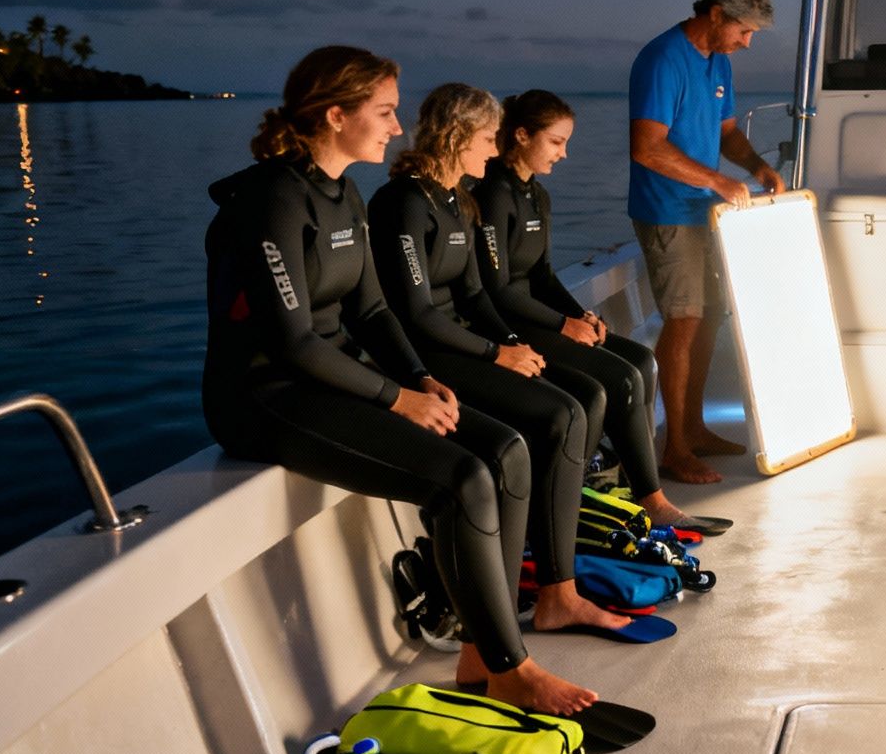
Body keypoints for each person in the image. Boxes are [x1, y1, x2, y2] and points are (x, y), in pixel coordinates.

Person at [203, 46, 596, 714]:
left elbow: (374, 310)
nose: (394, 128)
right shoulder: (270, 200)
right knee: (459, 478)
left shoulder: (343, 191)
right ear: (336, 115)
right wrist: (397, 398)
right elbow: (293, 341)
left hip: (335, 377)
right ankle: (511, 668)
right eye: (384, 111)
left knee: (504, 450)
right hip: (265, 397)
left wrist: (419, 376)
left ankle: (481, 655)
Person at [368, 83, 633, 644]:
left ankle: (557, 585)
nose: (492, 152)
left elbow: (474, 299)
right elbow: (415, 312)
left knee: (570, 407)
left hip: (465, 341)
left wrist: (514, 344)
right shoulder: (402, 203)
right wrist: (496, 353)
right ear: (458, 134)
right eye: (487, 138)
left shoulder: (457, 198)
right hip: (425, 356)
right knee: (557, 417)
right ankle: (541, 592)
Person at [475, 89, 712, 531]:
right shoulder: (493, 195)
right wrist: (561, 324)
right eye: (556, 142)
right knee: (618, 378)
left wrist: (580, 315)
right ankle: (652, 499)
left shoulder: (536, 196)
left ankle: (631, 484)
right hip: (509, 324)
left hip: (539, 314)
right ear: (522, 135)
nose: (564, 154)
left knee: (640, 359)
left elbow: (543, 276)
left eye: (567, 143)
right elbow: (496, 288)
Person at [627, 0, 786, 483]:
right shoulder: (662, 59)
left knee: (711, 315)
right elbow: (646, 147)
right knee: (684, 319)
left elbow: (727, 133)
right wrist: (718, 179)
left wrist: (756, 166)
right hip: (667, 211)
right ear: (716, 14)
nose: (747, 42)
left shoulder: (718, 62)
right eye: (744, 31)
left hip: (706, 210)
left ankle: (693, 429)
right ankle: (673, 448)